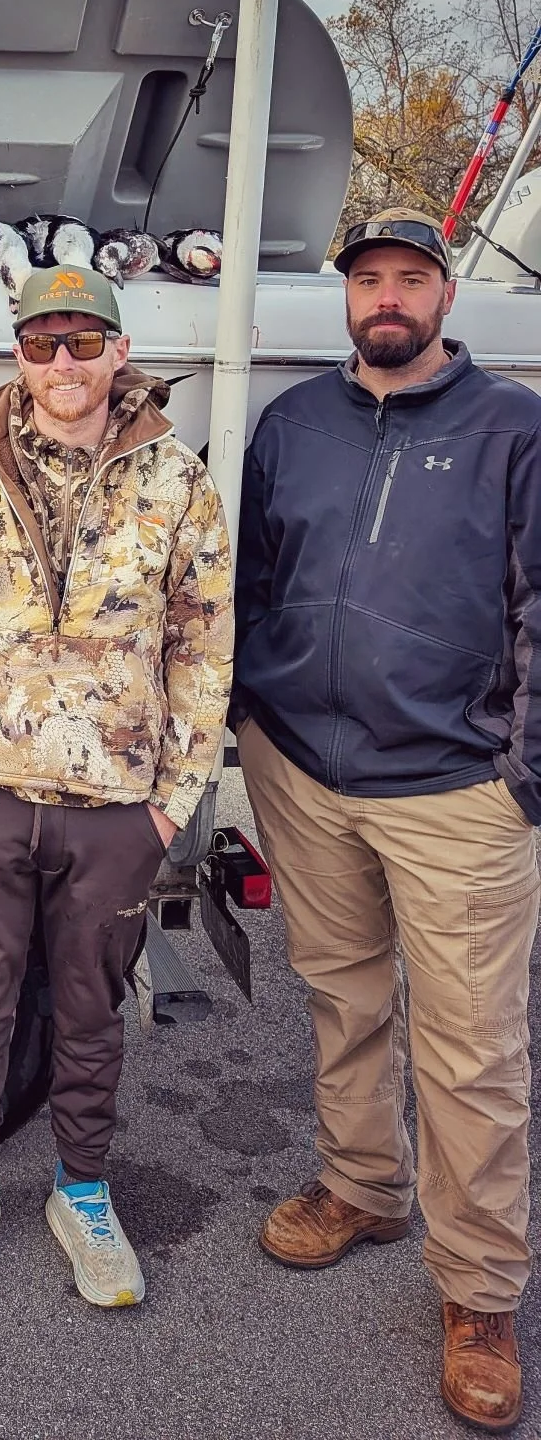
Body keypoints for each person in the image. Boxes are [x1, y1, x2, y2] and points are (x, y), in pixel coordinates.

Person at [235, 208, 541, 1434]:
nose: (388, 299)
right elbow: (254, 579)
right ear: (347, 297)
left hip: (455, 792)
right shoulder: (292, 425)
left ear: (446, 294)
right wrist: (253, 715)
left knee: (473, 1049)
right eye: (369, 280)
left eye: (411, 277)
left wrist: (525, 773)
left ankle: (480, 1291)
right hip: (306, 772)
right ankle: (362, 1185)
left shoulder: (515, 427)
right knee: (342, 994)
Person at [0, 263, 232, 1307]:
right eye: (44, 344)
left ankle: (83, 1193)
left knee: (90, 1010)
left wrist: (169, 802)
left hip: (115, 810)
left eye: (85, 342)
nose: (64, 363)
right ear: (19, 358)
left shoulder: (175, 480)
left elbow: (203, 645)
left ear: (121, 354)